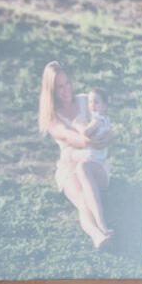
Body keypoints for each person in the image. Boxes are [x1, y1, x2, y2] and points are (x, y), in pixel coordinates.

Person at [36, 62, 114, 250]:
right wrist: (91, 140)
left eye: (67, 84)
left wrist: (108, 135)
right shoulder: (52, 119)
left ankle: (102, 224)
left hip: (93, 162)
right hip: (68, 165)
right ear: (52, 91)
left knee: (84, 170)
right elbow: (71, 137)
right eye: (59, 87)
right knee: (81, 199)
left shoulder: (85, 101)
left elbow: (104, 123)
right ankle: (97, 235)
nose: (65, 90)